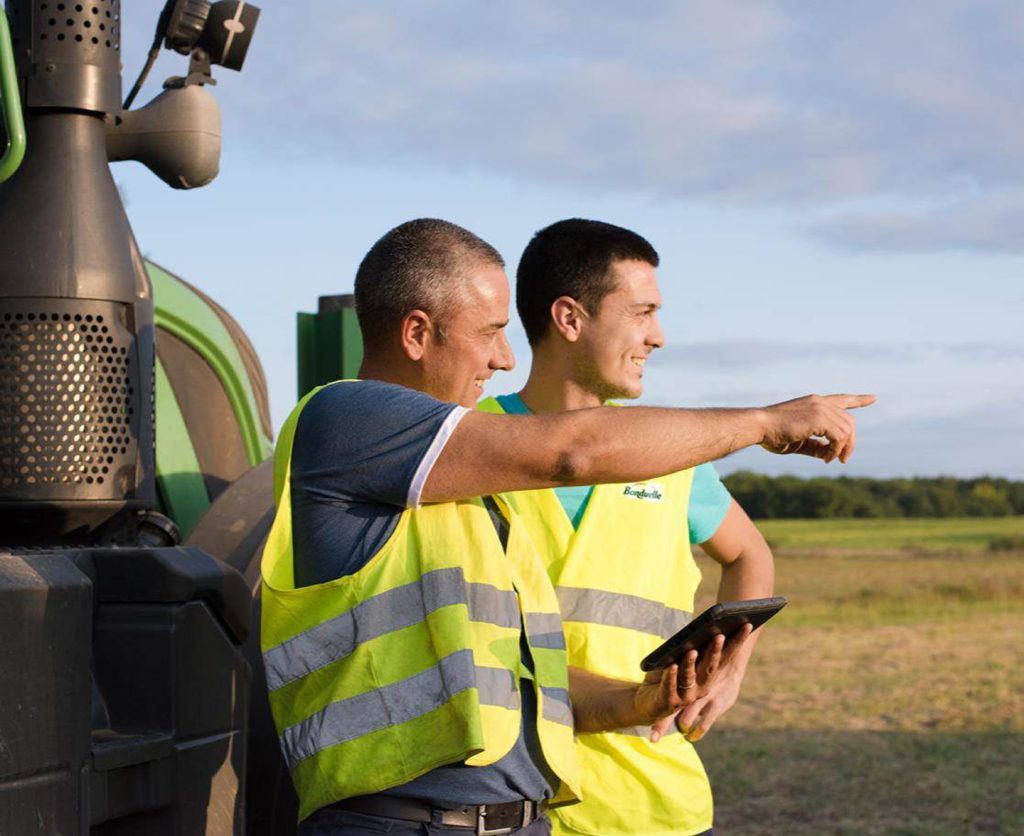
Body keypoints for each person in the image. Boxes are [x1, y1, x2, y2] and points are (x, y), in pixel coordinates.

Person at [260, 218, 874, 834]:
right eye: (492, 333)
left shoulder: (468, 498)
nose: (505, 357)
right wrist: (765, 421)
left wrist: (638, 701)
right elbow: (571, 453)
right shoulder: (344, 420)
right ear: (418, 333)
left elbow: (524, 678)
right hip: (399, 823)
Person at [481, 218, 790, 836]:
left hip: (648, 804)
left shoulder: (672, 454)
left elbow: (749, 556)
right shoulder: (474, 443)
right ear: (570, 319)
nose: (659, 336)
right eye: (642, 311)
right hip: (508, 801)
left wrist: (731, 668)